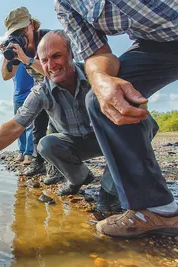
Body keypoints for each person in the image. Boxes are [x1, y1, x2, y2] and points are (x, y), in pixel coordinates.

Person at [0, 30, 157, 211]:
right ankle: (79, 178)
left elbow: (136, 106)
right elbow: (14, 126)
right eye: (44, 60)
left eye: (57, 56)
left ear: (71, 54)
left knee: (107, 202)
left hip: (114, 137)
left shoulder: (95, 74)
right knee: (46, 143)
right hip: (79, 143)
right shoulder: (41, 91)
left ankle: (111, 188)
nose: (51, 65)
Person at [54, 0, 178, 237]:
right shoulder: (66, 5)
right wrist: (100, 77)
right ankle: (157, 209)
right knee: (100, 100)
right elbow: (97, 54)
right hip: (156, 45)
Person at [0, 7, 62, 180]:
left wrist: (26, 59)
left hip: (61, 86)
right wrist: (9, 57)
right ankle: (38, 162)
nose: (20, 34)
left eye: (22, 29)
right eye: (15, 31)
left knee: (58, 128)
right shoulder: (18, 47)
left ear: (31, 25)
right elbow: (6, 76)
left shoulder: (49, 38)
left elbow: (55, 72)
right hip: (40, 89)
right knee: (37, 128)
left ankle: (59, 166)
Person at [12, 63, 35, 165]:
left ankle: (28, 154)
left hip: (30, 94)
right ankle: (21, 152)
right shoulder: (12, 60)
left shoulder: (28, 57)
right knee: (18, 126)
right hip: (17, 97)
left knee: (30, 126)